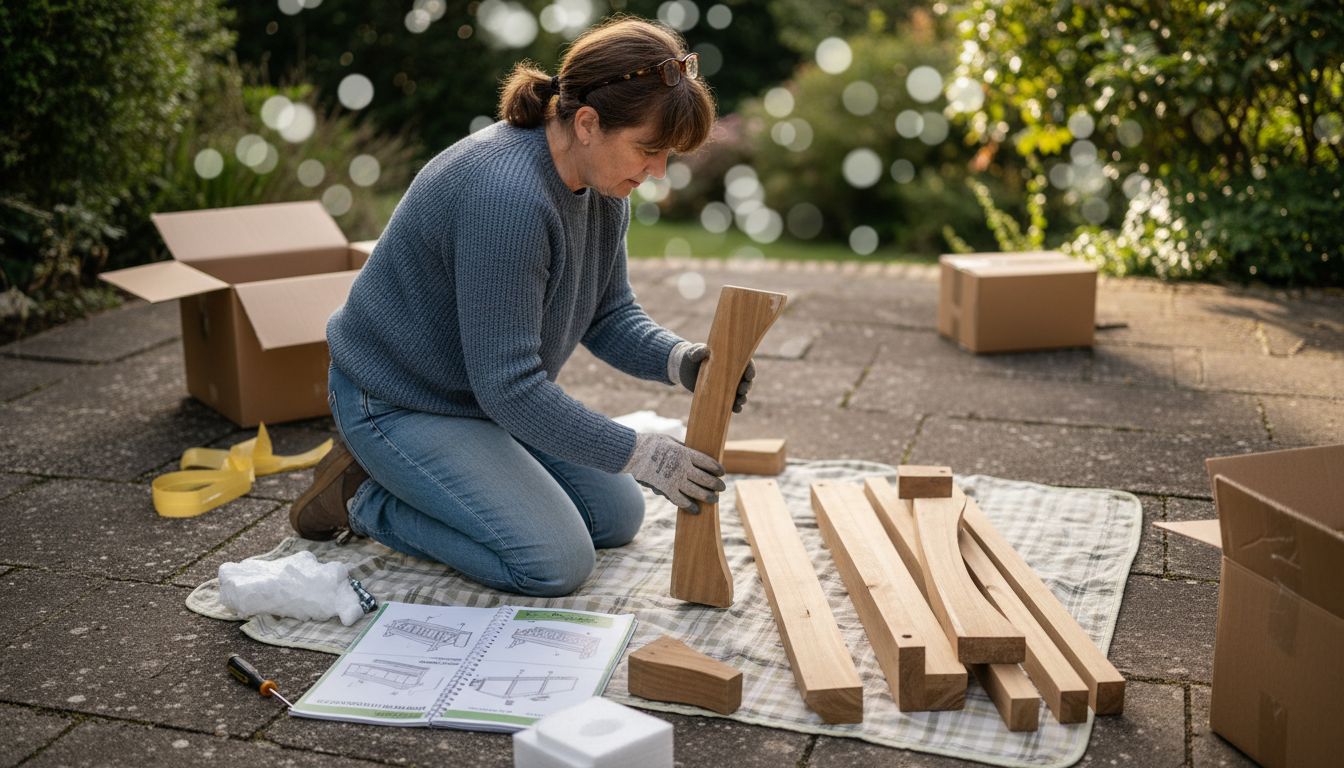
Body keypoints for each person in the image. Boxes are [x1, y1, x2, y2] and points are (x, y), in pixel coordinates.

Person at [289, 17, 755, 598]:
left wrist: (684, 361)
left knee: (617, 517)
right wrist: (641, 453)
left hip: (480, 397)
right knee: (554, 563)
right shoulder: (507, 198)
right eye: (648, 149)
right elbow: (510, 387)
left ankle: (441, 478)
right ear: (587, 123)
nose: (657, 171)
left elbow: (609, 315)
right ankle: (363, 498)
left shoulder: (604, 187)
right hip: (400, 400)